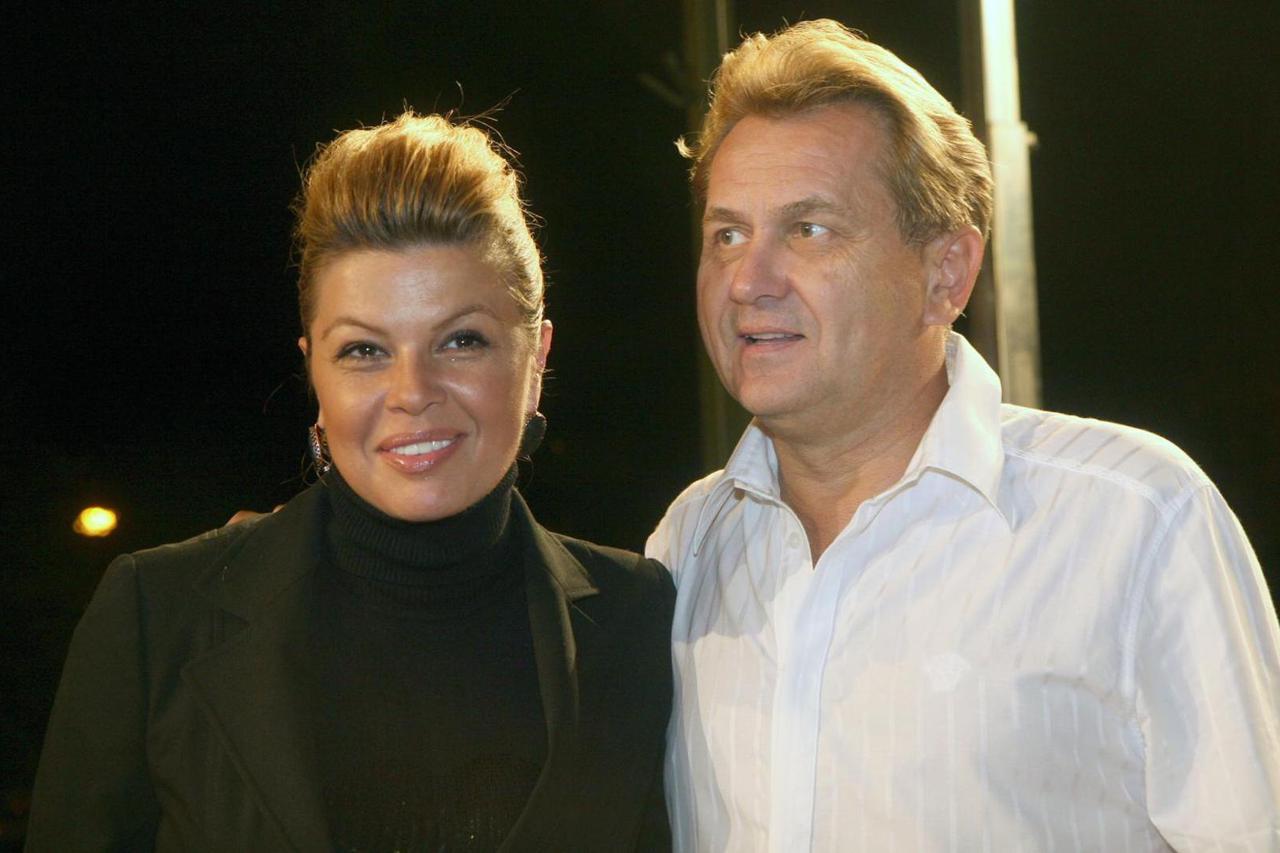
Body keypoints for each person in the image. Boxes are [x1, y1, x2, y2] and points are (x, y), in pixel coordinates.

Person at [647, 19, 1280, 851]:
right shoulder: (686, 547)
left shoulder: (1136, 521)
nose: (748, 281)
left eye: (809, 229)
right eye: (727, 235)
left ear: (946, 273)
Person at [27, 112, 674, 851]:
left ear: (536, 360)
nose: (412, 391)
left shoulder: (641, 619)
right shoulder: (158, 618)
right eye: (364, 350)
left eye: (461, 340)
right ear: (314, 371)